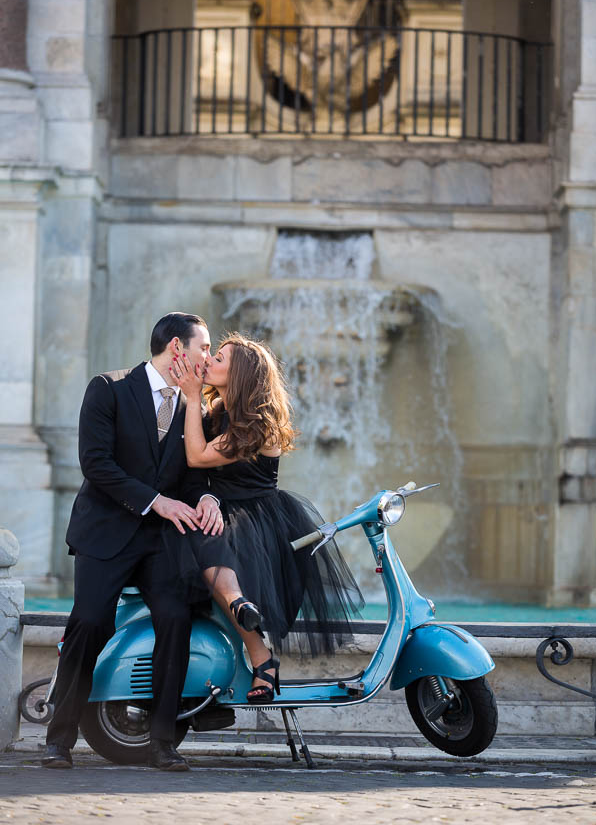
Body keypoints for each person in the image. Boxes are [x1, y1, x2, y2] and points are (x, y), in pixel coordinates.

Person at [42, 313, 223, 772]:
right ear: (177, 348)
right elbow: (96, 464)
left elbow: (197, 471)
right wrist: (157, 501)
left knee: (176, 619)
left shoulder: (193, 404)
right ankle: (58, 739)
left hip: (162, 543)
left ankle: (163, 741)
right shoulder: (108, 387)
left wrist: (206, 497)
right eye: (204, 347)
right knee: (88, 621)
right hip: (105, 533)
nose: (209, 356)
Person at [168, 333, 363, 703]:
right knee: (202, 530)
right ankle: (241, 609)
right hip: (223, 507)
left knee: (209, 536)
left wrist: (192, 396)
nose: (209, 362)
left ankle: (260, 654)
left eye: (219, 359)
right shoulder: (218, 413)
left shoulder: (257, 424)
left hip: (257, 518)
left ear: (240, 375)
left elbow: (196, 457)